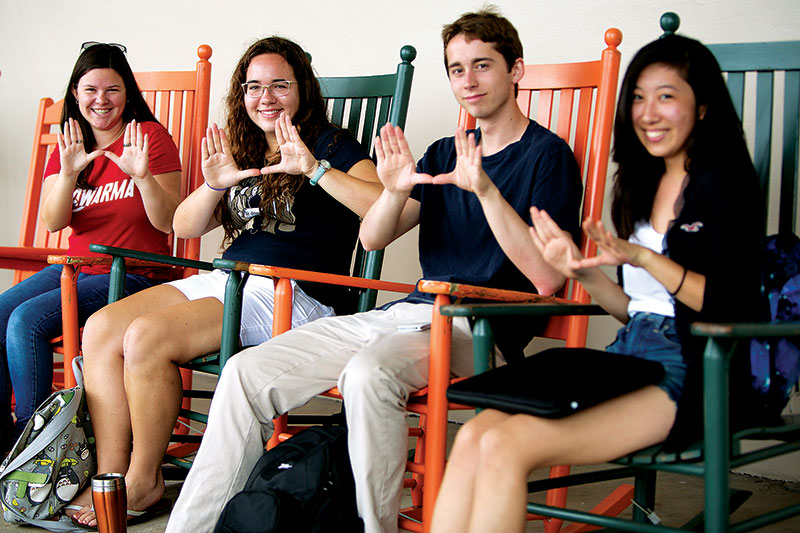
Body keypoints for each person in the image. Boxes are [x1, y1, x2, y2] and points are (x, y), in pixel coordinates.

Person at [166, 8, 583, 533]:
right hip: (408, 313)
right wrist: (394, 187)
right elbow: (374, 235)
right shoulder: (442, 152)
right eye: (456, 69)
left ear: (515, 70)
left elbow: (547, 278)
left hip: (477, 327)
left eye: (482, 66)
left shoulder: (548, 157)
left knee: (368, 374)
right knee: (245, 374)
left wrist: (485, 191)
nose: (468, 82)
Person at [429, 34, 765, 533]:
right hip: (632, 356)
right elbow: (637, 311)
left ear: (704, 105)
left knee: (504, 445)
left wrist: (645, 257)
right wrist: (579, 270)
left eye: (666, 96)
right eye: (638, 97)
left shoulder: (726, 188)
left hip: (697, 370)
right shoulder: (643, 185)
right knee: (478, 433)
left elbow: (727, 306)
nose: (648, 112)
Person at [67, 36, 381, 526]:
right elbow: (181, 225)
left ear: (303, 89)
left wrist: (315, 170)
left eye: (280, 84)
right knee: (102, 329)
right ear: (242, 95)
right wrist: (217, 181)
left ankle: (145, 480)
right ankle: (115, 477)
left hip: (292, 292)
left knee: (145, 338)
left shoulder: (330, 143)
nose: (266, 97)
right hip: (230, 279)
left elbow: (385, 206)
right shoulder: (246, 148)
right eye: (254, 86)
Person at [0, 42, 182, 453]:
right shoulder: (71, 143)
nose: (101, 100)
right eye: (90, 90)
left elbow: (168, 222)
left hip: (134, 274)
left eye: (112, 90)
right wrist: (67, 173)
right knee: (0, 314)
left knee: (26, 321)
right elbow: (53, 222)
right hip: (75, 269)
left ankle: (41, 444)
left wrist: (142, 177)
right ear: (76, 95)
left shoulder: (148, 137)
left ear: (128, 93)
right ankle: (6, 440)